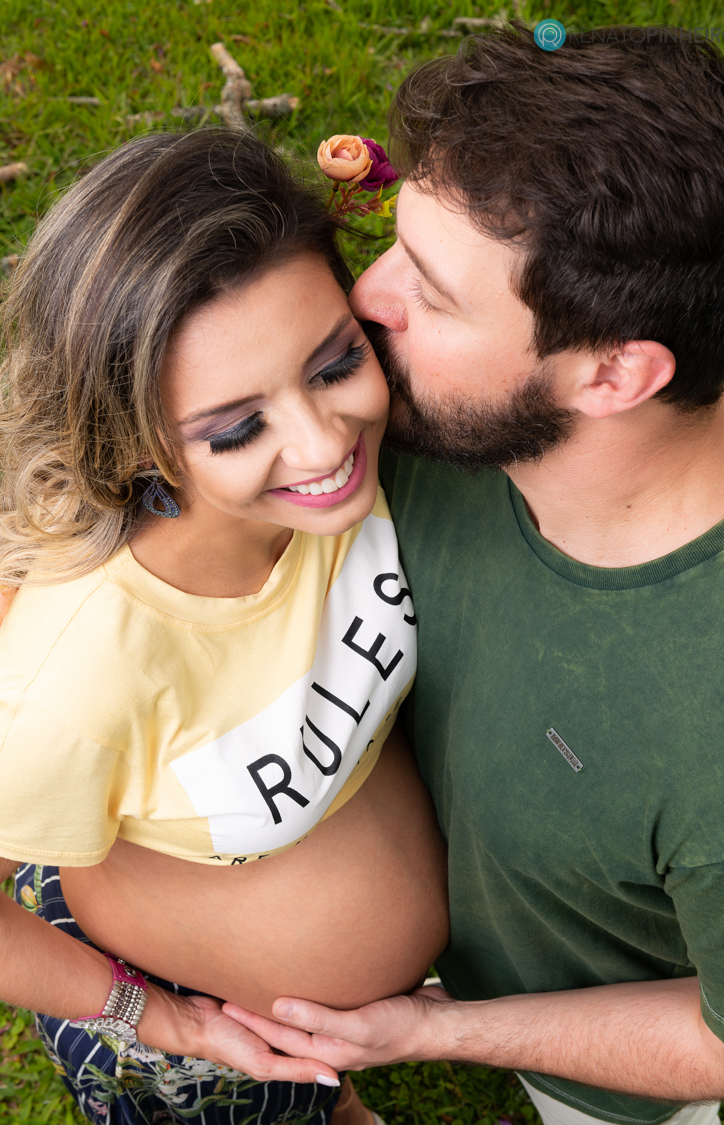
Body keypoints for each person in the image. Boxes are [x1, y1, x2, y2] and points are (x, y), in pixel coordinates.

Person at [223, 23, 724, 1125]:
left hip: (599, 1069)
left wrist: (439, 1031)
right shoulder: (421, 424)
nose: (368, 297)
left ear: (613, 372)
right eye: (396, 244)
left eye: (434, 292)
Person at [0, 127, 448, 1125]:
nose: (323, 443)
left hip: (335, 998)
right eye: (238, 428)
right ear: (132, 441)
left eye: (335, 363)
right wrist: (160, 1019)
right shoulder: (71, 681)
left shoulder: (369, 462)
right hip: (211, 1047)